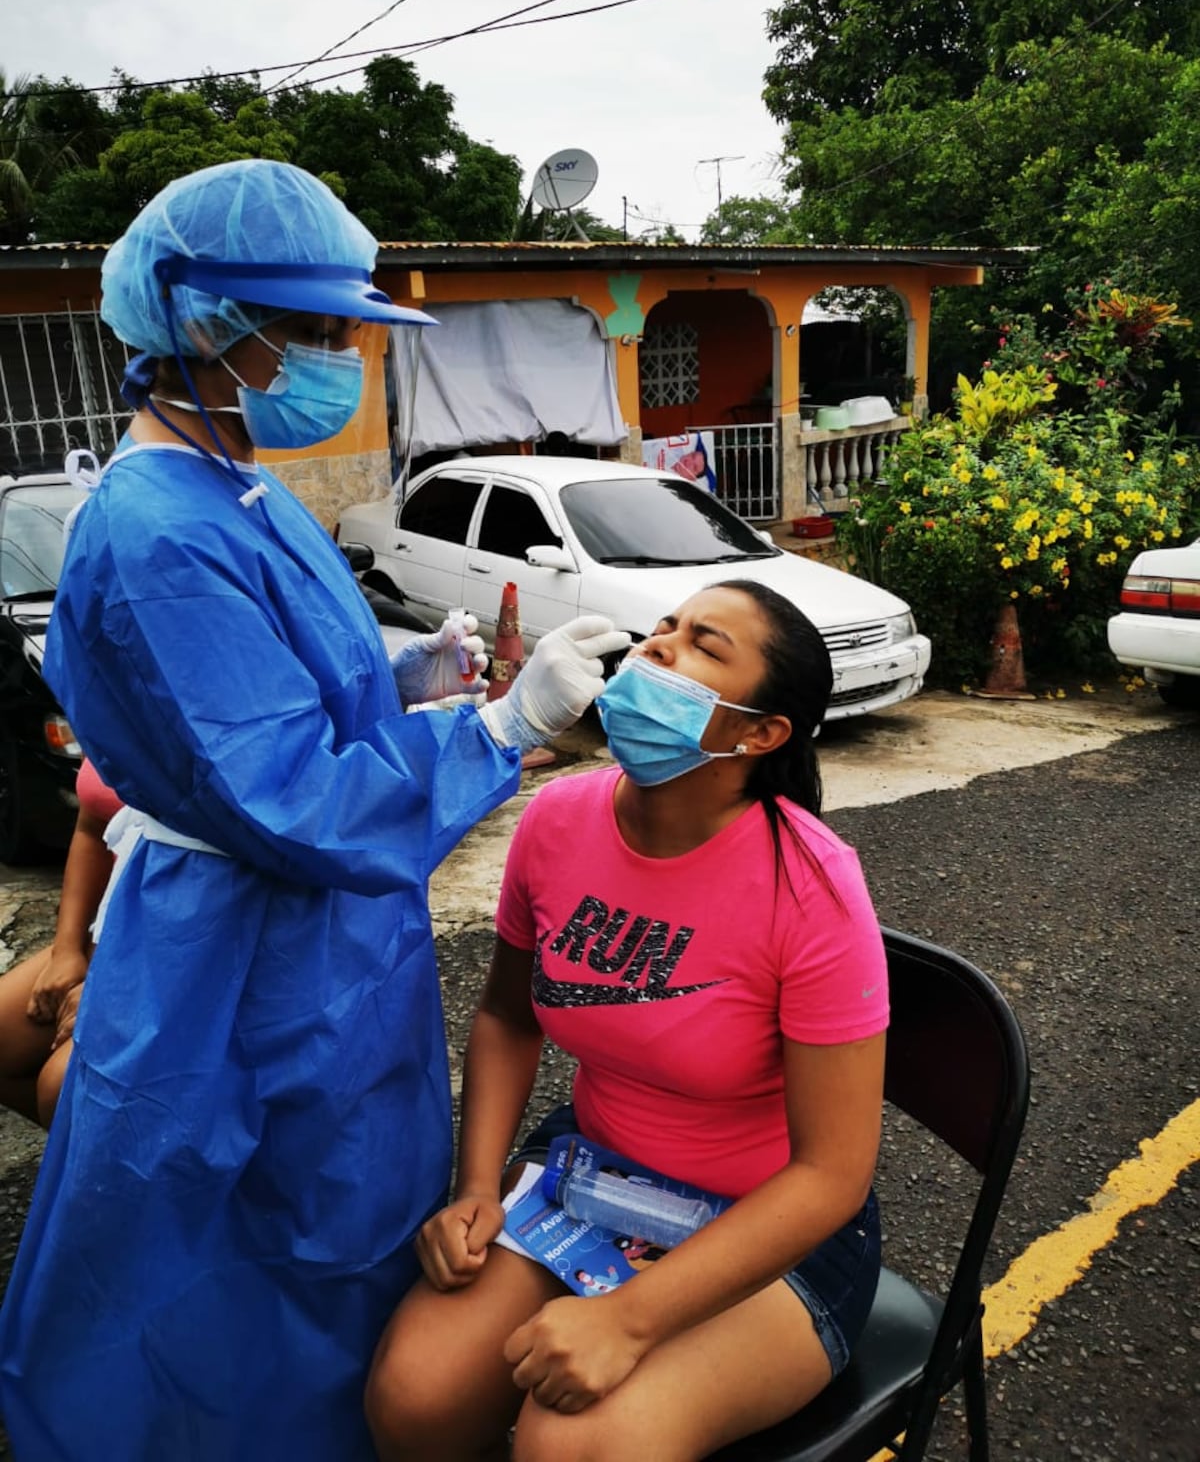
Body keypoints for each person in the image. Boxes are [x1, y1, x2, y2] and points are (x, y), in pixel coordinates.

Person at [0, 158, 627, 1462]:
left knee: (337, 1230)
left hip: (326, 953)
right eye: (318, 329)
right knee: (218, 1253)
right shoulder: (160, 525)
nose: (341, 355)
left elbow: (268, 697)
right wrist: (500, 730)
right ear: (212, 324)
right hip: (240, 954)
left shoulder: (231, 481)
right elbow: (282, 791)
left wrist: (401, 675)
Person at [366, 578, 889, 1462]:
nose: (657, 646)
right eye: (664, 628)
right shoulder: (559, 818)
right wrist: (477, 1187)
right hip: (593, 1171)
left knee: (575, 1443)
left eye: (704, 646)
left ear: (758, 734)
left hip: (771, 1233)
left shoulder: (813, 888)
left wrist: (630, 1320)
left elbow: (832, 1175)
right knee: (415, 1397)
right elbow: (507, 1016)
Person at [0, 758, 121, 1128]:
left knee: (62, 1088)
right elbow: (92, 823)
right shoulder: (114, 711)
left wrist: (111, 988)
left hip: (187, 946)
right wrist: (65, 949)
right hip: (112, 929)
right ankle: (87, 1164)